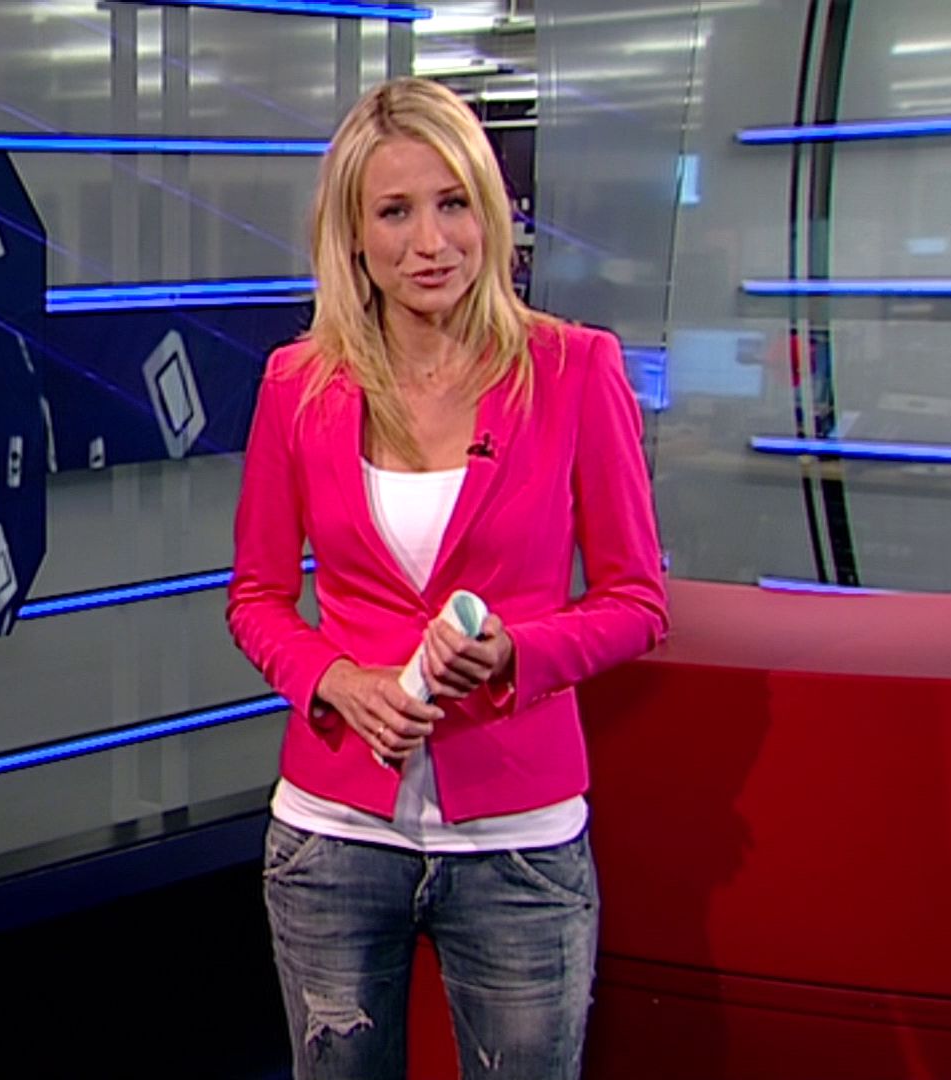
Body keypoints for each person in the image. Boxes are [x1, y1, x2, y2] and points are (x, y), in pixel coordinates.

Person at [225, 77, 669, 1080]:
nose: (431, 242)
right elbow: (256, 598)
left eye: (453, 203)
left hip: (519, 844)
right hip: (334, 837)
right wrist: (336, 680)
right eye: (395, 211)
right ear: (353, 236)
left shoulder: (574, 369)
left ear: (492, 214)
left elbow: (638, 600)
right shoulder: (298, 384)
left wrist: (519, 652)